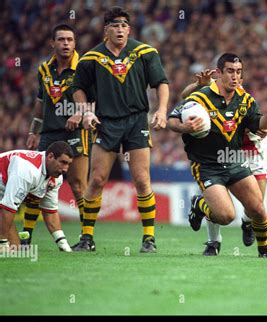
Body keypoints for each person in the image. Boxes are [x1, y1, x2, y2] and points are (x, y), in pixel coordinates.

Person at [168, 53, 267, 258]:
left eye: (239, 72)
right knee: (226, 216)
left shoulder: (245, 100)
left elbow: (259, 125)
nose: (235, 76)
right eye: (230, 71)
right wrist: (185, 127)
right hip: (207, 165)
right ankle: (199, 205)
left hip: (234, 160)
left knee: (257, 208)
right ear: (219, 73)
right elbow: (172, 119)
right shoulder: (201, 97)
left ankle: (264, 249)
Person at [70, 6, 169, 253]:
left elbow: (161, 83)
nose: (120, 29)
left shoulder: (145, 52)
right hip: (106, 122)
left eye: (124, 25)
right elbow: (77, 88)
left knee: (142, 179)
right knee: (97, 179)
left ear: (129, 29)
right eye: (115, 25)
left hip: (137, 121)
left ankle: (149, 239)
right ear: (106, 29)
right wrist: (86, 111)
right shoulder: (90, 58)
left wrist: (162, 110)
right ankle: (87, 237)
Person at [23, 24, 91, 246]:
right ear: (53, 43)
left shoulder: (84, 67)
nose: (66, 44)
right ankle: (26, 235)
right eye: (61, 40)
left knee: (78, 184)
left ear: (75, 43)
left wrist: (79, 115)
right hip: (49, 134)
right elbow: (40, 104)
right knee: (37, 183)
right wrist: (34, 130)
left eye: (70, 40)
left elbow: (95, 99)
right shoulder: (43, 70)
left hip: (76, 132)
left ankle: (86, 237)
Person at [0, 141, 73, 252]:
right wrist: (2, 243)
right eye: (63, 162)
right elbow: (8, 207)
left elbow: (50, 211)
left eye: (68, 164)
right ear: (50, 157)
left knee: (14, 249)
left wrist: (63, 243)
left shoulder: (56, 177)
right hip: (5, 201)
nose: (65, 169)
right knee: (7, 248)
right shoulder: (28, 170)